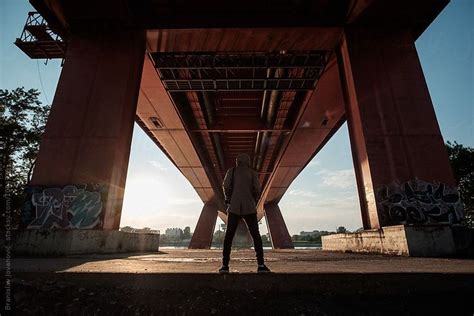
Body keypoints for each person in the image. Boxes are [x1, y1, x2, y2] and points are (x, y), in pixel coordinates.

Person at [219, 153, 271, 273]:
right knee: (256, 235)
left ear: (237, 161)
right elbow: (257, 188)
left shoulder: (231, 171)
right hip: (249, 207)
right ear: (248, 161)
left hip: (234, 207)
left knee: (229, 236)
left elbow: (226, 186)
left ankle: (225, 266)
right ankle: (261, 265)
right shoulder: (252, 173)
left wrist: (228, 199)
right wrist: (253, 198)